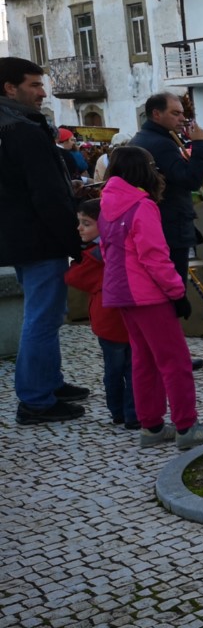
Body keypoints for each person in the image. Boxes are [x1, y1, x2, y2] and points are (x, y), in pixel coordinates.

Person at [99, 146, 203, 450]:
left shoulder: (106, 203)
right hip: (148, 294)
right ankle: (186, 426)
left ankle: (152, 425)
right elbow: (155, 257)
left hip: (120, 292)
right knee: (175, 361)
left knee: (143, 359)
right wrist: (177, 292)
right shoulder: (141, 205)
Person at [0, 57, 90, 425]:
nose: (42, 92)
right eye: (35, 85)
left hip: (18, 237)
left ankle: (49, 383)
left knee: (45, 315)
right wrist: (73, 239)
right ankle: (36, 400)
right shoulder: (22, 129)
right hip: (39, 239)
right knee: (42, 318)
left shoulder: (9, 126)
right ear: (10, 88)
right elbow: (46, 195)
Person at [131, 92, 203, 371]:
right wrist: (202, 147)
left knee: (161, 293)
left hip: (162, 224)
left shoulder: (146, 139)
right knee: (170, 293)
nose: (181, 119)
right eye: (175, 114)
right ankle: (171, 353)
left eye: (182, 114)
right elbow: (190, 179)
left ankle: (164, 350)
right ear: (157, 114)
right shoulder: (161, 144)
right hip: (170, 227)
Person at [66, 199, 136, 429]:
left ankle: (117, 412)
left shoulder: (94, 256)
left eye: (86, 223)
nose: (80, 228)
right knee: (133, 369)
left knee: (113, 370)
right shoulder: (125, 246)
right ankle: (133, 414)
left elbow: (72, 278)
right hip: (131, 319)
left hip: (108, 322)